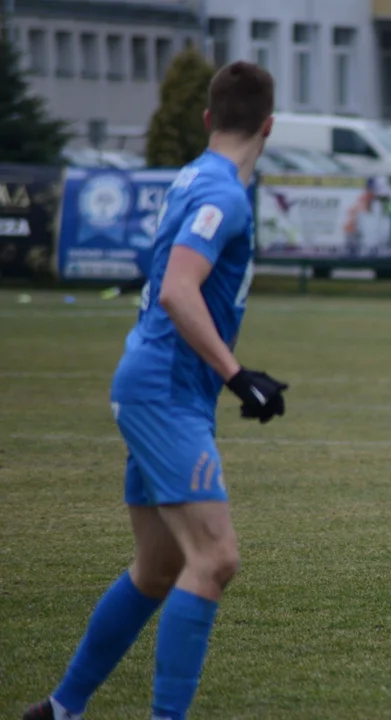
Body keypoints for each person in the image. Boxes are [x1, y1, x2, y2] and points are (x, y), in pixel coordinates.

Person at [24, 61, 288, 720]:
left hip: (156, 383)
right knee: (215, 558)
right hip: (167, 389)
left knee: (157, 569)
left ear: (206, 119)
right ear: (269, 125)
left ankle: (61, 708)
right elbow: (177, 288)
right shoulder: (223, 193)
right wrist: (238, 375)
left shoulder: (194, 175)